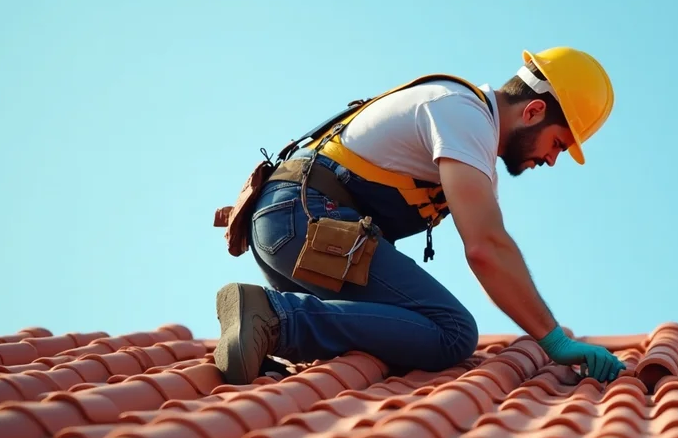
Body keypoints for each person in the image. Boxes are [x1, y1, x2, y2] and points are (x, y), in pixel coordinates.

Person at [212, 47, 626, 386]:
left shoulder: (466, 128)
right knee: (451, 332)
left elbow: (488, 253)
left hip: (296, 230)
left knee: (402, 332)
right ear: (534, 111)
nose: (552, 160)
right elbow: (486, 248)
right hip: (304, 224)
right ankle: (276, 316)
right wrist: (554, 340)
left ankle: (269, 331)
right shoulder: (464, 116)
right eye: (558, 143)